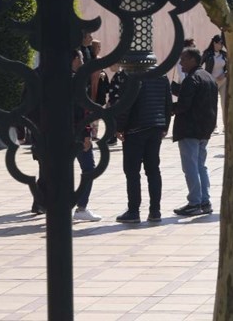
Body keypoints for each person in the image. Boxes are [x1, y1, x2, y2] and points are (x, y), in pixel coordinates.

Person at [115, 73, 171, 223]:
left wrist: (119, 127)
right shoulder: (162, 75)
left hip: (136, 129)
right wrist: (165, 125)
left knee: (132, 172)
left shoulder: (132, 76)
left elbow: (125, 105)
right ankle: (155, 211)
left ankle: (133, 211)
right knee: (153, 170)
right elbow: (167, 102)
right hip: (155, 127)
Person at [171, 47, 219, 217]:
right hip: (204, 129)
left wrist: (169, 108)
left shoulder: (192, 79)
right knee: (200, 165)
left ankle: (194, 202)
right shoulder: (208, 77)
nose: (181, 63)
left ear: (192, 60)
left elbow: (184, 105)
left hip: (190, 129)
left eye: (183, 59)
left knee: (190, 166)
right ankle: (204, 201)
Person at [71, 50, 103, 223]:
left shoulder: (57, 80)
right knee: (89, 169)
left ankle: (58, 205)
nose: (83, 61)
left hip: (59, 133)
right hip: (77, 133)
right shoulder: (76, 81)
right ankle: (81, 207)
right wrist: (86, 135)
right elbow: (82, 111)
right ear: (75, 59)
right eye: (81, 58)